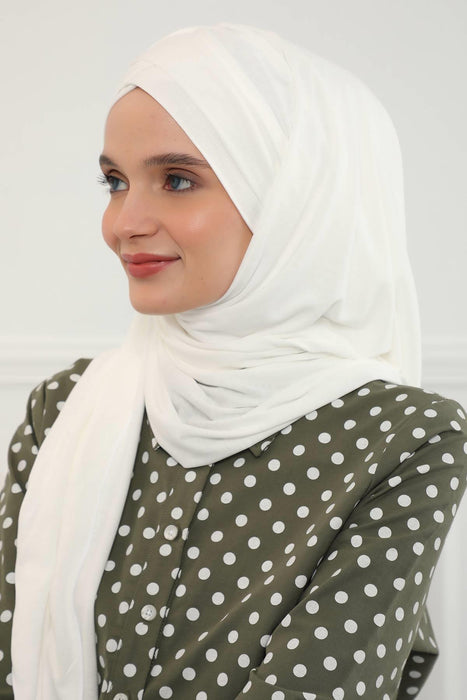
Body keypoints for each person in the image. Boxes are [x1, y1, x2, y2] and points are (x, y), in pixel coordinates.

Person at [0, 23, 466, 700]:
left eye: (177, 179)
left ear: (294, 199)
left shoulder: (402, 439)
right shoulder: (66, 407)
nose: (123, 222)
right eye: (115, 181)